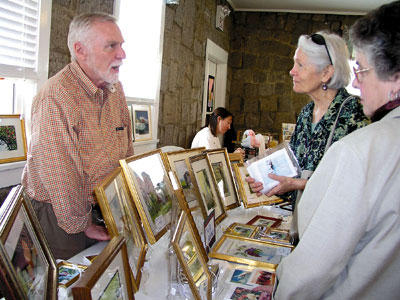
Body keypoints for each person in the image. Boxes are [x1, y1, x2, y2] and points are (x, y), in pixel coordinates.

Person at [274, 1, 400, 298]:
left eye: (363, 70)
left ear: (327, 73)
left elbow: (315, 268)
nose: (356, 80)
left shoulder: (359, 131)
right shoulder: (305, 114)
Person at [21, 13, 134, 259]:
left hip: (102, 206)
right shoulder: (56, 96)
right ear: (80, 50)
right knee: (69, 285)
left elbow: (127, 149)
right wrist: (82, 224)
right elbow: (60, 175)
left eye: (121, 45)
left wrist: (128, 197)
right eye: (111, 46)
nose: (122, 54)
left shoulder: (116, 89)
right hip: (60, 214)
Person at [247, 31, 369, 203]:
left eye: (300, 65)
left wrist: (297, 184)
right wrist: (268, 182)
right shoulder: (305, 114)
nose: (291, 71)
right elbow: (293, 174)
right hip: (304, 219)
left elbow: (357, 184)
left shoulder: (355, 114)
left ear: (326, 73)